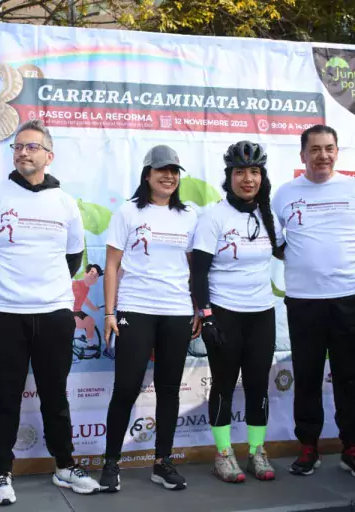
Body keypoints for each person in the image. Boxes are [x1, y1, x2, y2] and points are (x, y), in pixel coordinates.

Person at [0, 120, 99, 506]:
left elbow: (73, 257)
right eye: (17, 147)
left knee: (54, 395)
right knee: (7, 397)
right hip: (5, 313)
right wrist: (7, 287)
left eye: (31, 147)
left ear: (49, 155)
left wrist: (46, 289)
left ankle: (64, 465)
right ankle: (2, 472)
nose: (23, 152)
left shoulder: (65, 202)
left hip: (54, 313)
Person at [271, 124, 355, 480]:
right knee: (306, 378)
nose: (323, 155)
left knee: (349, 379)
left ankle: (351, 448)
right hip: (304, 302)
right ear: (302, 154)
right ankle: (309, 448)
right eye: (316, 149)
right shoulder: (284, 194)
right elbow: (275, 243)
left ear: (337, 152)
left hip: (350, 299)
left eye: (329, 148)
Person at [99, 144, 200, 493]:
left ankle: (162, 462)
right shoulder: (128, 213)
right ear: (147, 175)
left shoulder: (190, 215)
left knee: (170, 390)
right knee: (125, 388)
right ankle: (111, 464)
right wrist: (110, 312)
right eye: (162, 170)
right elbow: (111, 267)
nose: (169, 176)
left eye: (174, 171)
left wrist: (199, 308)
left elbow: (194, 269)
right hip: (135, 309)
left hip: (177, 312)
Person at [191, 141, 284, 483]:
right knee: (225, 386)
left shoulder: (269, 215)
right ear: (229, 176)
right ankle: (224, 454)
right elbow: (198, 271)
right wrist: (206, 314)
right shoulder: (214, 216)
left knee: (259, 385)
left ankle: (257, 452)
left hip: (262, 313)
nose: (248, 179)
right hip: (225, 313)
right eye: (241, 172)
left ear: (262, 176)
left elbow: (289, 252)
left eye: (255, 172)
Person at [72, 263, 103, 346]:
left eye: (96, 275)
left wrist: (94, 308)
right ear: (85, 273)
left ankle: (89, 344)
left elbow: (85, 299)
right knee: (79, 324)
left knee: (91, 321)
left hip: (78, 311)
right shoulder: (75, 284)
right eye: (91, 273)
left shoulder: (87, 287)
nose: (93, 276)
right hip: (70, 311)